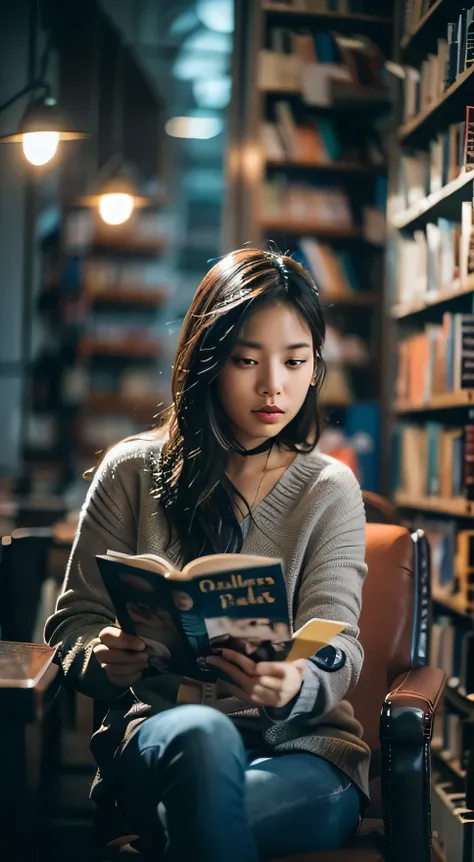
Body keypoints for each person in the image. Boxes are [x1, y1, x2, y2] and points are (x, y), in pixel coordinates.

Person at [45, 248, 369, 862]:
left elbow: (338, 643)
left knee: (201, 815)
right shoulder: (132, 471)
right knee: (201, 735)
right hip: (162, 737)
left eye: (296, 362)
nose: (274, 385)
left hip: (301, 757)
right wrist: (104, 655)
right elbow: (71, 624)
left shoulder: (330, 489)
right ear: (206, 361)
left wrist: (296, 681)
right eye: (247, 360)